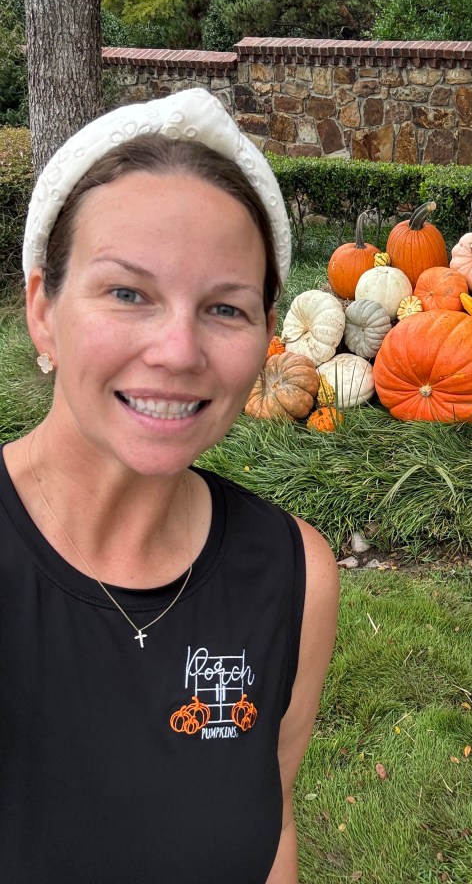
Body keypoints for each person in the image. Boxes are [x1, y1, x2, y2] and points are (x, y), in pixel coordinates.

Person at [0, 88, 340, 882]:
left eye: (224, 308)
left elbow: (271, 824)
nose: (179, 350)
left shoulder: (293, 575)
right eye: (128, 293)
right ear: (43, 309)